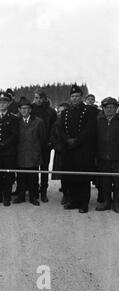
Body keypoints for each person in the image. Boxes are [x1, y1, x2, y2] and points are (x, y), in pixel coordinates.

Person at [56, 84, 97, 213]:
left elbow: (90, 129)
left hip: (83, 149)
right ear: (70, 98)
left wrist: (77, 140)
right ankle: (73, 200)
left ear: (82, 97)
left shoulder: (89, 110)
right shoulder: (65, 113)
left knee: (83, 177)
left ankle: (84, 203)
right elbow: (60, 129)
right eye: (73, 96)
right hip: (69, 149)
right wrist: (67, 140)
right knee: (71, 176)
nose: (75, 98)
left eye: (77, 96)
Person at [14, 98, 46, 206]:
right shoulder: (16, 121)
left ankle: (33, 197)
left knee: (33, 177)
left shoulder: (38, 121)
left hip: (33, 153)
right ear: (19, 109)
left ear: (30, 110)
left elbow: (43, 139)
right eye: (22, 108)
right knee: (21, 176)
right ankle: (21, 196)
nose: (24, 111)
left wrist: (37, 150)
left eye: (27, 108)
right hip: (21, 153)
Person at [31, 89, 57, 202]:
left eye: (40, 98)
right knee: (34, 169)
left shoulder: (51, 111)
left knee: (45, 169)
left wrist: (51, 141)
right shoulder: (31, 110)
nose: (38, 100)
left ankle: (43, 192)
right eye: (36, 98)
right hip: (34, 144)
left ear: (44, 98)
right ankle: (35, 191)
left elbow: (54, 128)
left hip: (46, 144)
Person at [95, 97, 119, 212]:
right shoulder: (98, 121)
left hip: (117, 157)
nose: (110, 110)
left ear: (116, 108)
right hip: (103, 156)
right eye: (107, 107)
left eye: (112, 107)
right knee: (105, 181)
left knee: (118, 181)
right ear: (103, 108)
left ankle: (117, 203)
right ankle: (106, 202)